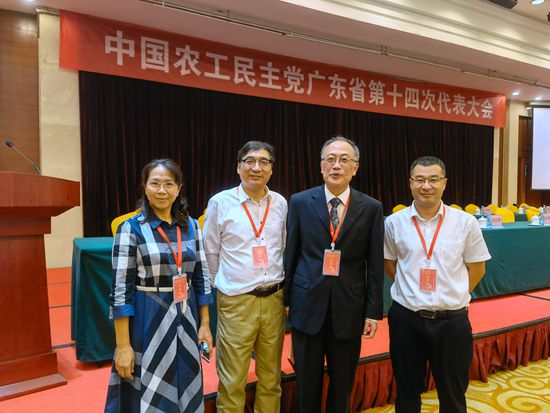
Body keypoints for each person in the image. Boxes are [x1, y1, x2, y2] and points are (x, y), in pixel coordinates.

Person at [284, 136, 384, 413]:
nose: (336, 165)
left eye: (344, 160)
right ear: (321, 166)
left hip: (349, 307)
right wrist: (286, 301)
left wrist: (373, 312)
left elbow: (374, 264)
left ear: (355, 167)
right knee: (306, 383)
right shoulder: (301, 202)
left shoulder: (371, 208)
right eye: (330, 159)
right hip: (307, 305)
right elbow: (291, 254)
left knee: (342, 385)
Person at [384, 156, 491, 413]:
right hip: (406, 319)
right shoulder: (393, 222)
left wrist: (453, 293)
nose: (426, 186)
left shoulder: (465, 222)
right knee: (406, 391)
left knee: (453, 393)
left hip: (451, 321)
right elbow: (389, 265)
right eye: (419, 180)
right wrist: (411, 291)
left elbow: (477, 268)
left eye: (433, 179)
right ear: (410, 183)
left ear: (444, 183)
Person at [105, 159, 213, 413]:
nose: (162, 190)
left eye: (168, 184)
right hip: (148, 318)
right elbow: (120, 291)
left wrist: (205, 325)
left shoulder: (192, 226)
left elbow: (201, 277)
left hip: (186, 317)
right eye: (155, 183)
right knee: (149, 388)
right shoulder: (130, 228)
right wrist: (123, 346)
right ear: (145, 186)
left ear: (179, 188)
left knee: (185, 382)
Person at [203, 141, 287, 413]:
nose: (256, 168)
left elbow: (283, 246)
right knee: (232, 380)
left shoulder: (281, 203)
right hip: (237, 302)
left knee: (271, 378)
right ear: (238, 167)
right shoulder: (220, 202)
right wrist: (225, 285)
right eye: (249, 161)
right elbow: (210, 252)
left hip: (274, 299)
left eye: (264, 162)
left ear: (271, 169)